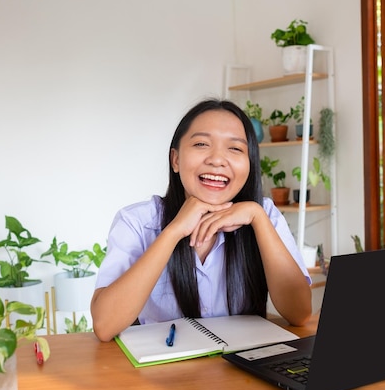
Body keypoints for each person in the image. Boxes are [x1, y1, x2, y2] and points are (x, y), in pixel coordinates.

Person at [91, 98, 312, 342]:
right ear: (175, 160)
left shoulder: (265, 214)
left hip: (245, 370)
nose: (217, 160)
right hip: (162, 373)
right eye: (201, 144)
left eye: (235, 148)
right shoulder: (137, 221)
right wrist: (173, 231)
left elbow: (299, 312)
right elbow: (105, 325)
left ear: (250, 164)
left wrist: (257, 218)